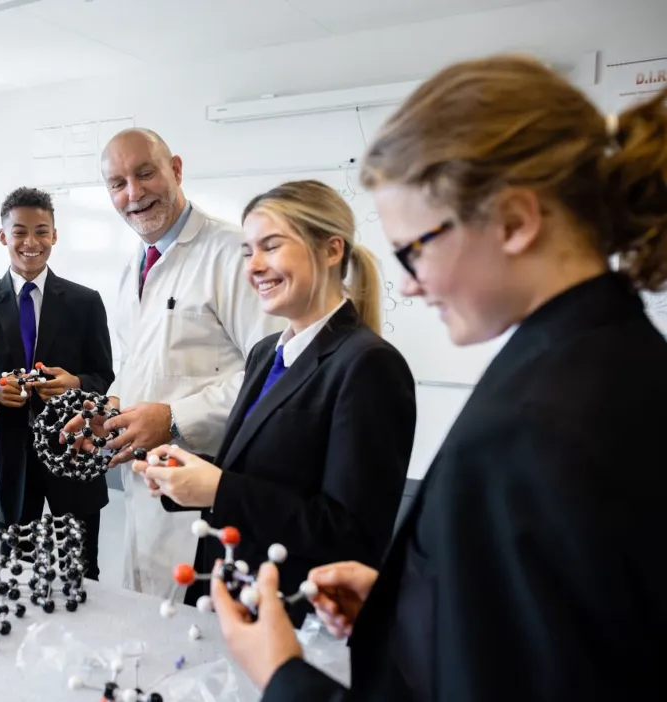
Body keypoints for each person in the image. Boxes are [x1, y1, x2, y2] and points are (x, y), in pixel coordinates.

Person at [210, 55, 667, 701]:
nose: (405, 284)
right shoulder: (597, 361)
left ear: (514, 221)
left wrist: (284, 677)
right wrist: (411, 605)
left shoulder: (543, 425)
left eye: (414, 249)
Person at [131, 180, 416, 627]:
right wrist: (187, 472)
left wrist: (218, 489)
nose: (254, 267)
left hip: (293, 615)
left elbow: (350, 532)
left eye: (271, 247)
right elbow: (256, 472)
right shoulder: (267, 353)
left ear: (331, 250)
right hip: (227, 591)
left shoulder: (368, 366)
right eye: (247, 252)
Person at [74, 128, 283, 597]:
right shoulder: (135, 266)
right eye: (117, 184)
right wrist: (108, 411)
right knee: (149, 611)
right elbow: (140, 362)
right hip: (147, 485)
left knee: (201, 627)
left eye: (145, 173)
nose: (134, 193)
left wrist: (172, 418)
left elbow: (272, 377)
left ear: (176, 170)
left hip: (212, 484)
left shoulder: (232, 253)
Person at [0, 187, 113, 578]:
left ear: (55, 235)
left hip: (73, 452)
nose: (31, 242)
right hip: (7, 458)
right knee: (18, 573)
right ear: (3, 236)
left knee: (82, 569)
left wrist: (74, 382)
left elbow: (102, 376)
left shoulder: (85, 301)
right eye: (19, 231)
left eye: (42, 231)